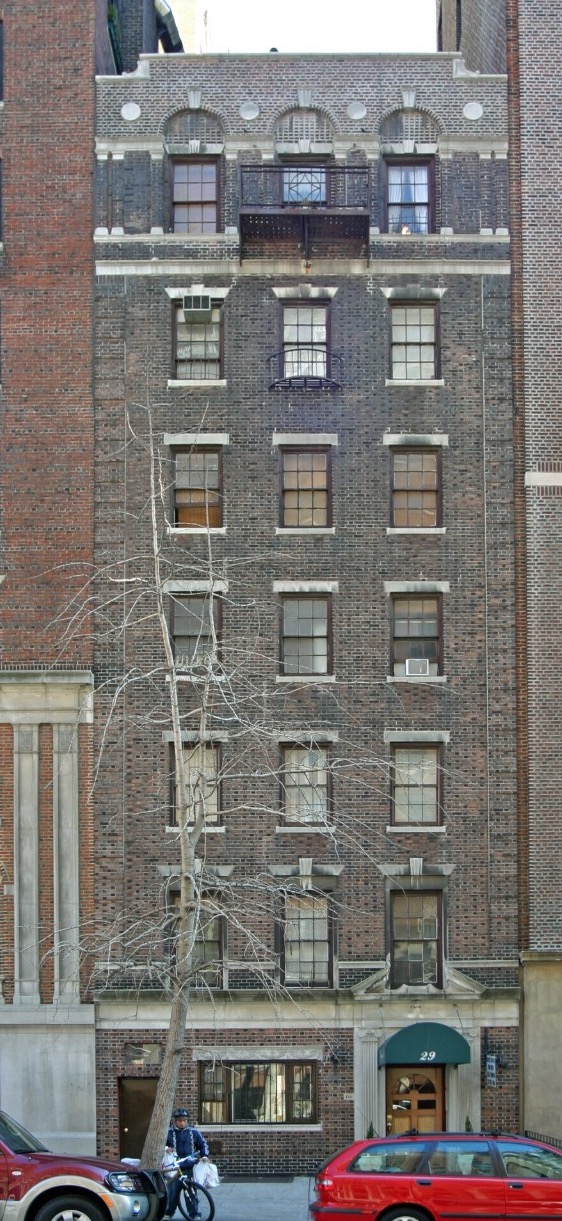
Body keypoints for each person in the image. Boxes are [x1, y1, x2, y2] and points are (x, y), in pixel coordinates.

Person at [164, 1107, 209, 1218]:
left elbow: (203, 1144)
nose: (182, 1123)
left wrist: (204, 1156)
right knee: (172, 1192)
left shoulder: (194, 1132)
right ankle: (169, 1213)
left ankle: (194, 1214)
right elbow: (161, 1145)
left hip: (189, 1167)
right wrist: (166, 1148)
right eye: (180, 1120)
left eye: (184, 1120)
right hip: (174, 1168)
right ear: (175, 1121)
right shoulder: (168, 1132)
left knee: (191, 1192)